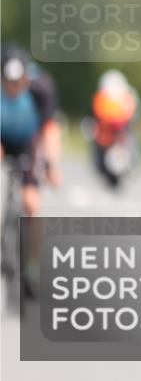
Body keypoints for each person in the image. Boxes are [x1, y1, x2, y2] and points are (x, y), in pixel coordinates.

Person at [0, 44, 62, 296]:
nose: (13, 88)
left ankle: (33, 265)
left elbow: (49, 130)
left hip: (29, 142)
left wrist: (52, 166)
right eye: (8, 82)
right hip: (3, 138)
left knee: (31, 203)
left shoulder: (41, 88)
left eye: (19, 81)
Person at [91, 69, 141, 188]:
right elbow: (95, 115)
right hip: (106, 136)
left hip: (121, 134)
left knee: (132, 142)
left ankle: (132, 163)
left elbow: (133, 113)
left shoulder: (127, 97)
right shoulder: (102, 98)